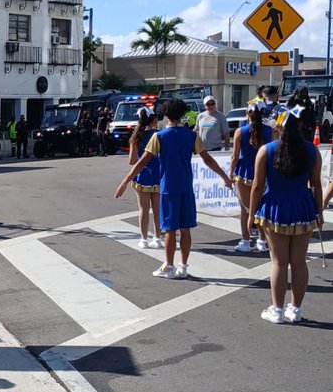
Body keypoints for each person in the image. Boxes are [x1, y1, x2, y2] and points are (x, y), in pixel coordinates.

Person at [114, 98, 232, 279]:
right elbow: (207, 159)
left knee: (169, 229)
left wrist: (124, 182)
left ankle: (169, 266)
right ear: (183, 114)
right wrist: (224, 177)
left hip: (168, 187)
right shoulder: (191, 136)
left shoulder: (159, 136)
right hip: (186, 187)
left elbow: (142, 162)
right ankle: (183, 267)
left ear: (165, 115)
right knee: (186, 229)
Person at [249, 106, 323, 323]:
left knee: (279, 262)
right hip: (303, 207)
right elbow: (316, 185)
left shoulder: (266, 150)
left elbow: (257, 185)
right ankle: (296, 309)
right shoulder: (312, 150)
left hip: (275, 207)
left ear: (277, 126)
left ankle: (278, 310)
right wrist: (319, 212)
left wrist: (251, 214)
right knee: (299, 261)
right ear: (300, 125)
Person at [229, 105, 272, 252]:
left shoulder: (240, 131)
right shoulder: (269, 130)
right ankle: (262, 241)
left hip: (244, 173)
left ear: (247, 113)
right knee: (261, 208)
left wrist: (230, 173)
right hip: (263, 172)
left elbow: (235, 156)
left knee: (245, 210)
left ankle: (246, 241)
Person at [127, 109, 161, 248]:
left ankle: (144, 239)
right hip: (158, 174)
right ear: (153, 120)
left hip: (142, 175)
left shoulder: (136, 137)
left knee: (143, 209)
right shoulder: (159, 135)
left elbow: (131, 161)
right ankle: (157, 238)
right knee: (158, 210)